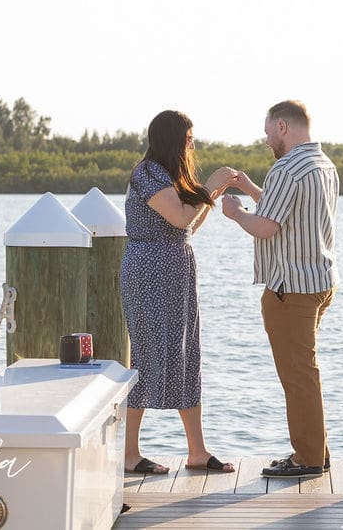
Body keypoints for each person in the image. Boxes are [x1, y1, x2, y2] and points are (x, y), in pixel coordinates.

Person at [221, 100, 339, 479]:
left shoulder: (286, 168)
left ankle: (307, 459)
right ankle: (316, 452)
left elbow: (266, 227)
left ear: (283, 127)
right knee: (305, 370)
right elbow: (283, 211)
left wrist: (235, 213)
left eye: (269, 128)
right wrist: (252, 188)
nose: (266, 136)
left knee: (297, 374)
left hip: (291, 290)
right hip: (320, 283)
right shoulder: (323, 164)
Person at [120, 110, 237, 475]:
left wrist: (211, 192)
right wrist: (209, 186)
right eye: (188, 139)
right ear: (172, 140)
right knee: (145, 354)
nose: (192, 145)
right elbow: (180, 217)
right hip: (148, 270)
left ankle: (197, 451)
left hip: (176, 269)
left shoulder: (172, 176)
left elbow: (188, 226)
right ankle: (128, 453)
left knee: (186, 354)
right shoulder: (148, 174)